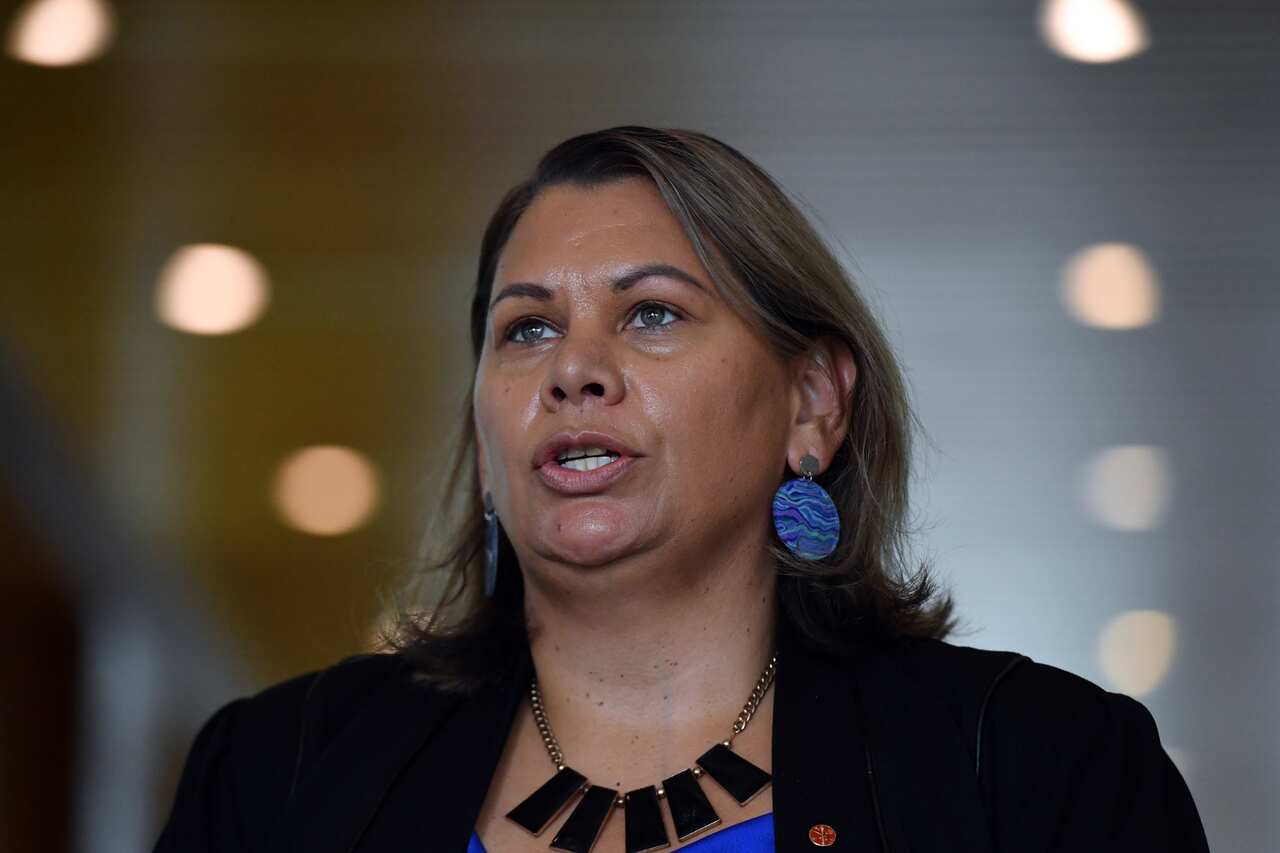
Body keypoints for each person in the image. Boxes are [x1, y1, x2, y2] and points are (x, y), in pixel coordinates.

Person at [152, 126, 1211, 853]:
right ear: (482, 433)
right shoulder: (275, 773)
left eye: (651, 313)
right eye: (526, 328)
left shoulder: (1037, 769)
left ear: (811, 403)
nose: (574, 368)